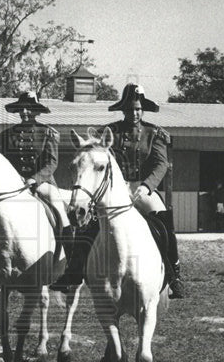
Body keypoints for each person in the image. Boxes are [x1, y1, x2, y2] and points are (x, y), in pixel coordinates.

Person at [55, 83, 186, 298]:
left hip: (143, 190)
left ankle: (174, 276)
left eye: (137, 109)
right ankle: (73, 272)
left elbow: (161, 165)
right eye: (129, 109)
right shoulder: (110, 132)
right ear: (123, 110)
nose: (133, 113)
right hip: (114, 191)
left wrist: (146, 186)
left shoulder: (155, 134)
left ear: (143, 109)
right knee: (88, 226)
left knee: (163, 222)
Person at [0, 90, 70, 270]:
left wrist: (34, 179)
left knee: (58, 208)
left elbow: (51, 162)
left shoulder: (48, 133)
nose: (25, 112)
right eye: (22, 109)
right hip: (13, 185)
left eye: (29, 108)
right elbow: (2, 163)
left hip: (42, 183)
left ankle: (69, 254)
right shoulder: (6, 135)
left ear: (36, 111)